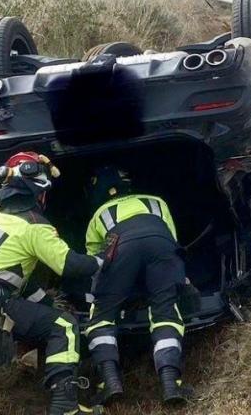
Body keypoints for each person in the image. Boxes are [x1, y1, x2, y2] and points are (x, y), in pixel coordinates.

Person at [0, 152, 104, 415]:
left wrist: (47, 303)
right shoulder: (34, 226)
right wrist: (101, 259)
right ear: (39, 192)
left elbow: (15, 280)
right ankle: (65, 406)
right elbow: (70, 266)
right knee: (64, 326)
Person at [84, 166, 192, 405]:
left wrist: (103, 295)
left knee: (101, 316)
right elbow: (171, 241)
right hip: (161, 243)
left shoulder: (99, 214)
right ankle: (170, 383)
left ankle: (109, 382)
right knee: (166, 313)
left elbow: (95, 264)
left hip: (120, 247)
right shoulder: (156, 202)